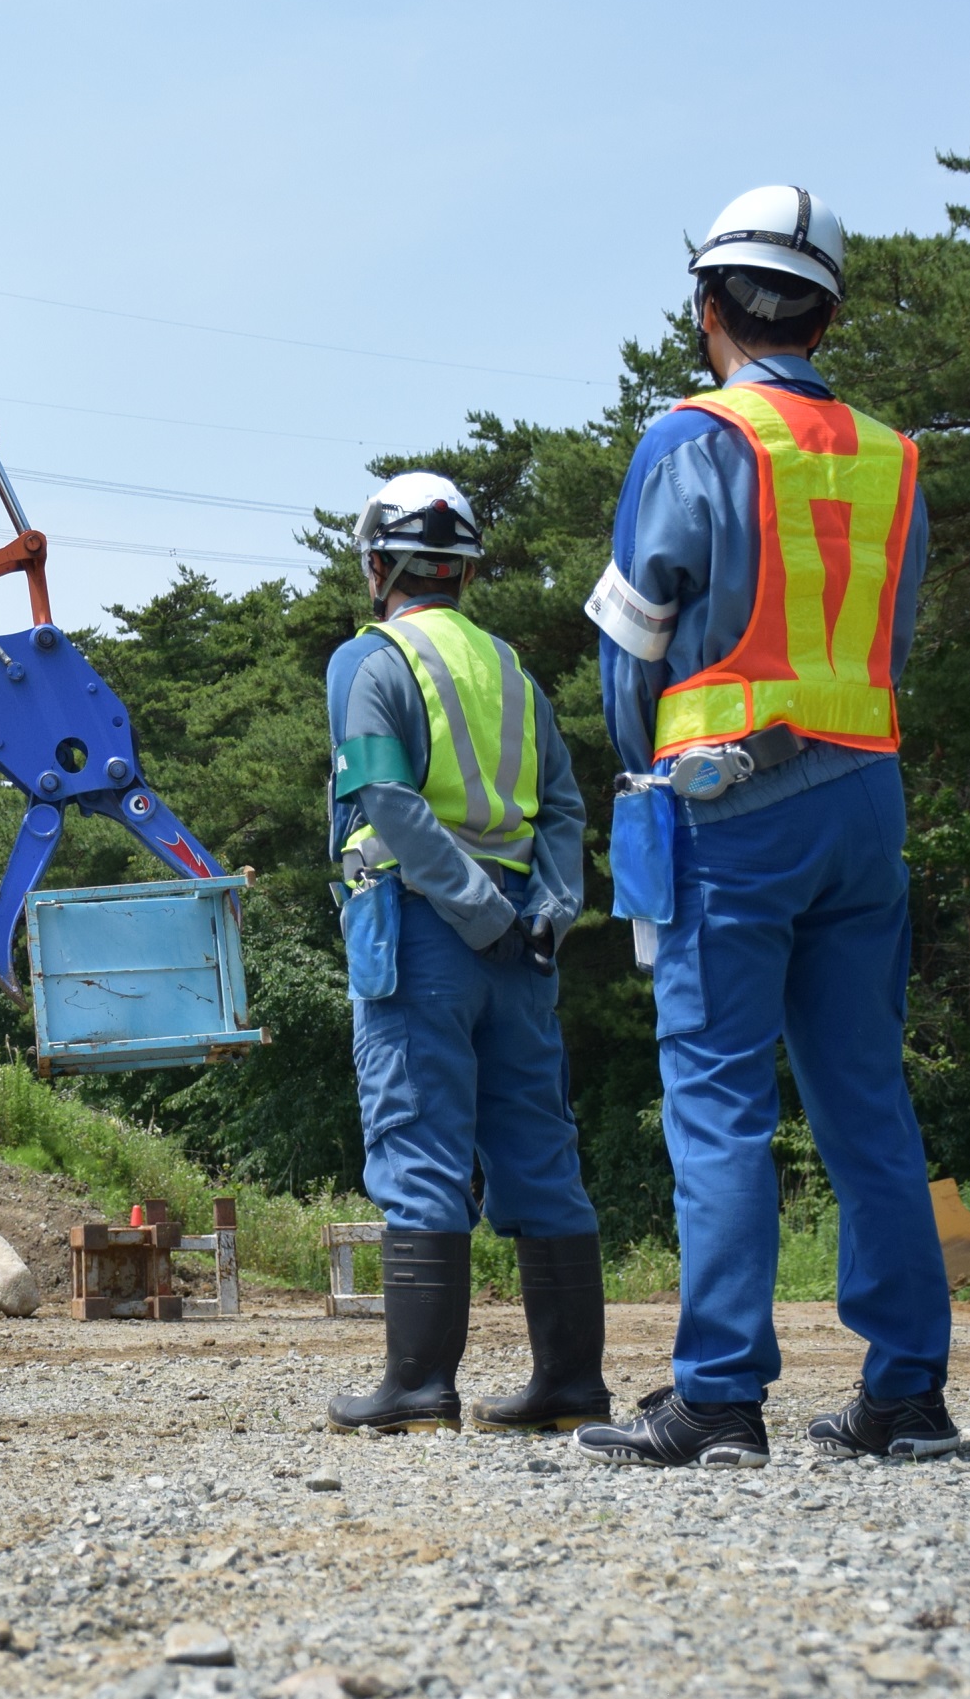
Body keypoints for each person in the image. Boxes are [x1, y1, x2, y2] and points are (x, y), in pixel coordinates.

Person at [573, 185, 956, 1469]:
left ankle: (721, 1396)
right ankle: (906, 1395)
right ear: (828, 313)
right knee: (864, 1103)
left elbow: (633, 647)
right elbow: (890, 643)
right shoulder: (895, 457)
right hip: (866, 799)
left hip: (732, 805)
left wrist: (652, 775)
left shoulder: (691, 437)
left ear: (709, 310)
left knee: (722, 1101)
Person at [324, 471, 609, 1436]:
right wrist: (551, 905)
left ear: (379, 565)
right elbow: (564, 806)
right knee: (540, 1153)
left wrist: (472, 904)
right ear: (463, 569)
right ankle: (570, 1386)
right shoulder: (512, 671)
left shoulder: (374, 662)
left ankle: (414, 1387)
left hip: (425, 935)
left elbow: (386, 801)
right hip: (525, 948)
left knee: (418, 1147)